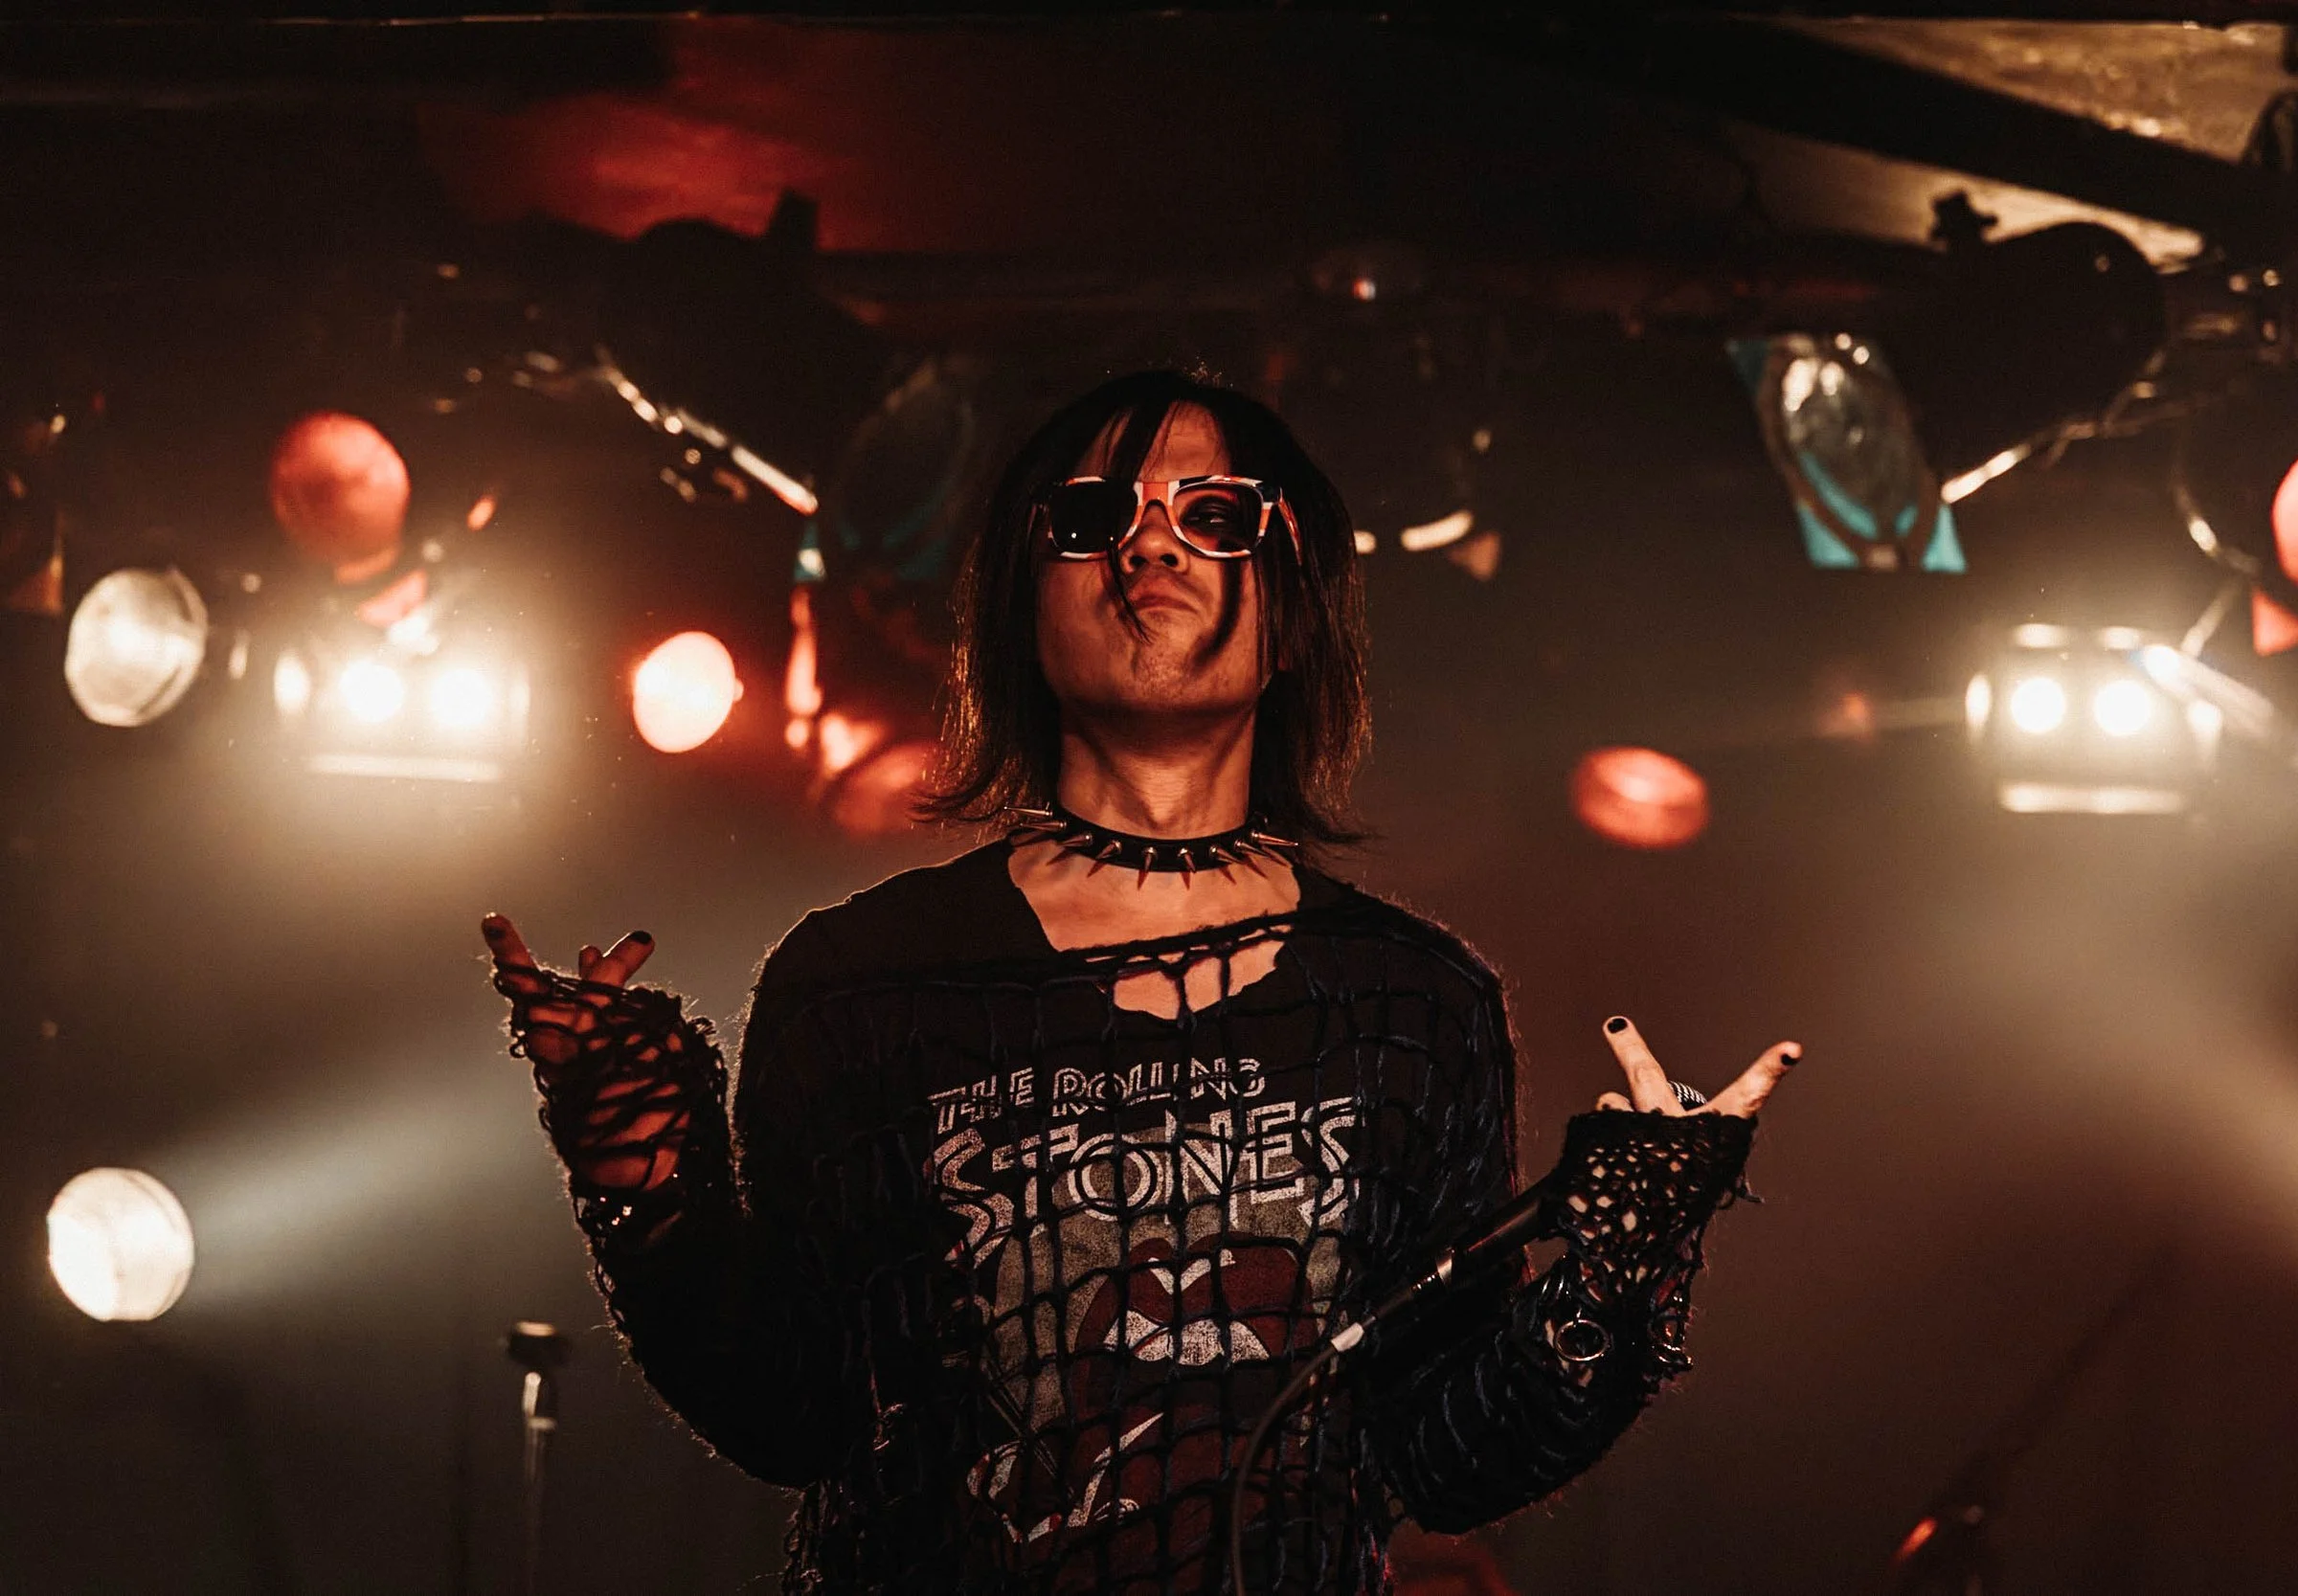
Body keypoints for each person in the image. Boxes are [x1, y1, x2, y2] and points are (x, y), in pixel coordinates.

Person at [482, 370, 1797, 1596]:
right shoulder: (861, 984)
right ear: (1022, 601)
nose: (1150, 544)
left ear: (1293, 611)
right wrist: (643, 1171)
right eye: (1093, 516)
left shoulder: (1413, 1004)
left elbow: (1443, 1461)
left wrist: (1623, 1262)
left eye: (1213, 514)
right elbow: (792, 1416)